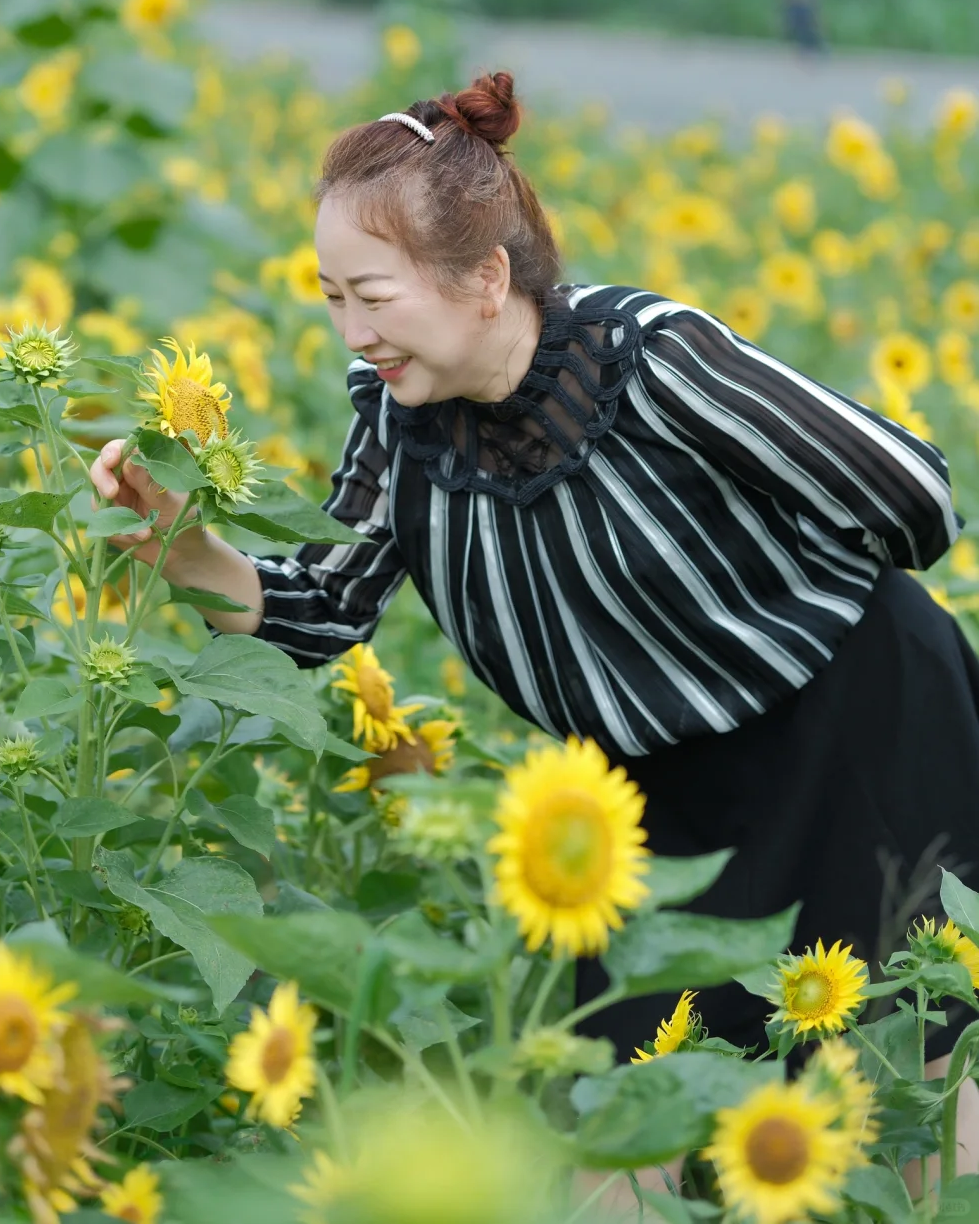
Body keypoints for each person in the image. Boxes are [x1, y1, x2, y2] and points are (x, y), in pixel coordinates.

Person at [90, 71, 979, 1209]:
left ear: (486, 277)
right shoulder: (400, 429)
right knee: (631, 1133)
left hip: (857, 737)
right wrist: (178, 545)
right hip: (643, 800)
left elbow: (908, 488)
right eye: (330, 299)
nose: (354, 335)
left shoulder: (653, 359)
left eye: (373, 296)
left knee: (917, 1089)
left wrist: (762, 609)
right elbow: (321, 612)